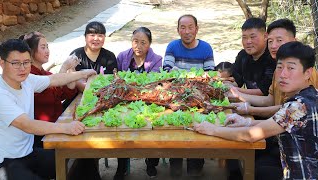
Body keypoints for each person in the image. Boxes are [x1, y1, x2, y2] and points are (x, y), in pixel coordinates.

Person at [194, 41, 318, 180]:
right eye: (279, 67)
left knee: (253, 170)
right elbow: (278, 122)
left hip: (302, 174)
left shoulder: (298, 106)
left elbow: (251, 135)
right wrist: (246, 122)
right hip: (296, 167)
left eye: (291, 68)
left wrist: (212, 129)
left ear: (308, 73)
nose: (283, 74)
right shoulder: (309, 96)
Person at [0, 39, 96, 180]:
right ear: (2, 64)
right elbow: (27, 125)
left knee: (81, 156)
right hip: (6, 162)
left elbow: (55, 79)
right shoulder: (0, 93)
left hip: (29, 153)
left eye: (26, 62)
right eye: (15, 63)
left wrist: (83, 73)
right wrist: (67, 128)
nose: (22, 68)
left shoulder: (27, 80)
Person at [163, 14, 214, 177]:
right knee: (174, 128)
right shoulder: (172, 46)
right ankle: (175, 162)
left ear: (196, 29)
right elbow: (166, 72)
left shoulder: (206, 48)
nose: (186, 31)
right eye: (182, 28)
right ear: (178, 30)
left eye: (190, 27)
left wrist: (182, 74)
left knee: (197, 129)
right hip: (176, 97)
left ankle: (196, 164)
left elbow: (209, 77)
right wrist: (193, 76)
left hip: (198, 97)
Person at [115, 27, 162, 180]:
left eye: (143, 42)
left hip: (148, 102)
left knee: (155, 128)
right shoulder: (122, 57)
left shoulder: (156, 60)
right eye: (135, 41)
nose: (138, 46)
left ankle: (151, 162)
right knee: (120, 130)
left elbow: (153, 84)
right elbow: (116, 81)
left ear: (149, 44)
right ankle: (121, 167)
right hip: (125, 102)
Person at [21, 31, 79, 147]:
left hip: (58, 125)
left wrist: (71, 70)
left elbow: (67, 93)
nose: (47, 51)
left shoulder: (46, 73)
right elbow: (49, 97)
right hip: (42, 133)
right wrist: (63, 69)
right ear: (31, 51)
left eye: (47, 47)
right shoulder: (28, 76)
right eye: (43, 47)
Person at [231, 17, 276, 96]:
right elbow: (236, 80)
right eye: (244, 37)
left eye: (252, 37)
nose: (248, 41)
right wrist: (226, 85)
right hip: (248, 101)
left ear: (265, 36)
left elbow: (264, 91)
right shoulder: (242, 55)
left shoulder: (272, 57)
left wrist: (235, 90)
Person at [70, 21, 118, 92]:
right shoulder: (76, 55)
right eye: (92, 35)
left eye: (100, 35)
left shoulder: (109, 56)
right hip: (78, 95)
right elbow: (70, 79)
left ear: (104, 37)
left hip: (104, 94)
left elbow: (113, 79)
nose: (96, 39)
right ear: (85, 37)